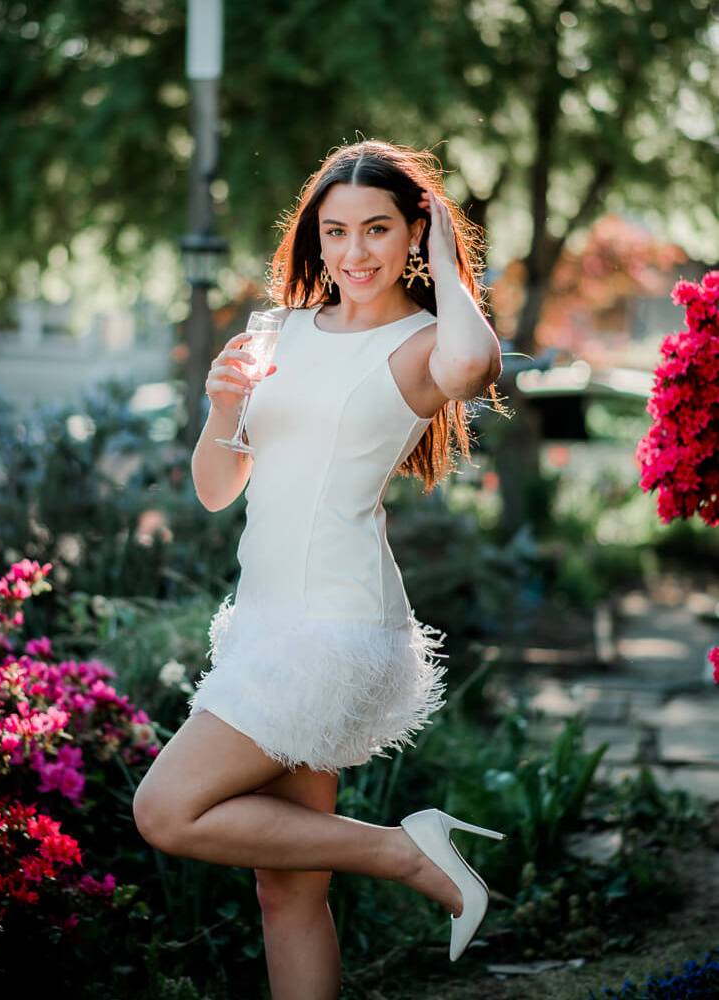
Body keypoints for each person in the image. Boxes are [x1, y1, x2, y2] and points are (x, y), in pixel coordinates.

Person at [133, 139, 508, 999]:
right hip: (265, 618)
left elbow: (476, 364)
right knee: (288, 889)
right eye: (335, 232)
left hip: (331, 623)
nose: (354, 253)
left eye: (378, 229)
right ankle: (399, 853)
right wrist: (225, 405)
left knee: (164, 809)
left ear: (413, 233)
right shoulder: (280, 331)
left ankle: (404, 852)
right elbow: (218, 489)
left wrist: (448, 256)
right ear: (315, 239)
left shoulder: (420, 344)